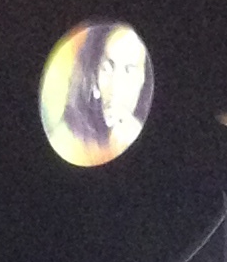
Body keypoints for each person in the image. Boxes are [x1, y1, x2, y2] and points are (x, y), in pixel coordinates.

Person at [50, 24, 153, 166]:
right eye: (107, 68)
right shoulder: (68, 139)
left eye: (129, 70)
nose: (116, 86)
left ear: (144, 79)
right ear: (94, 77)